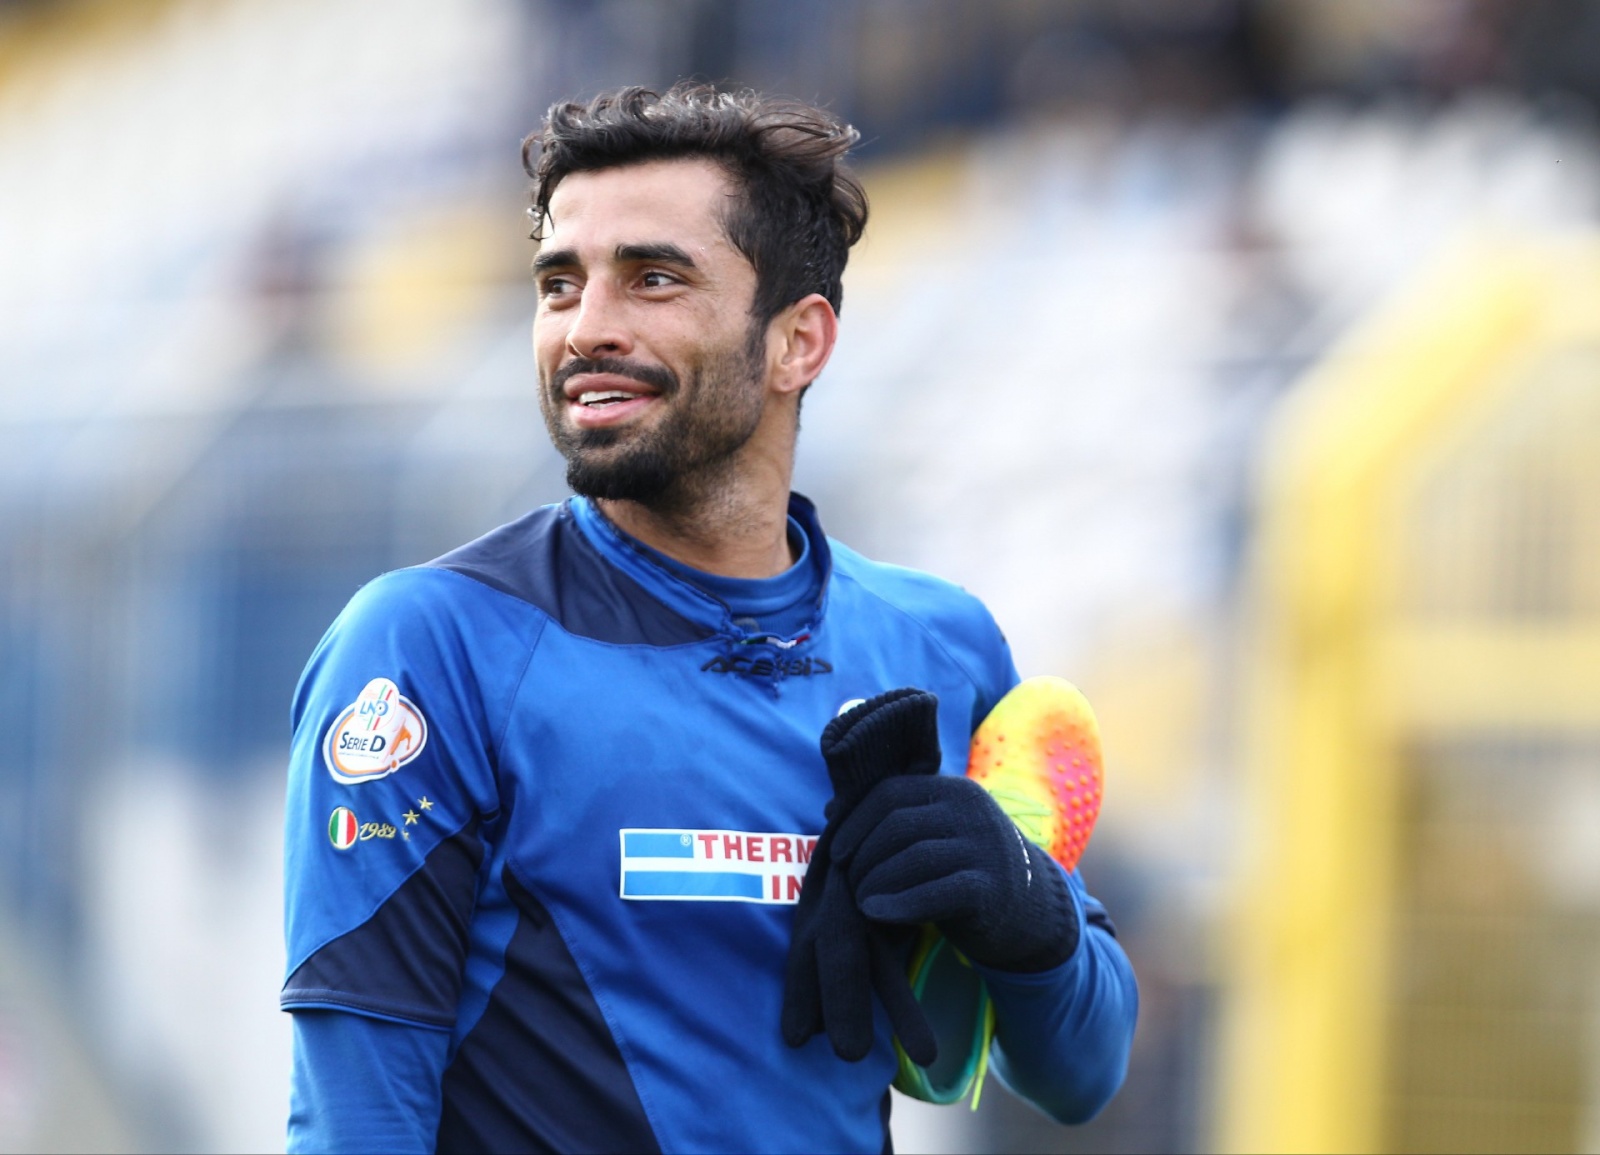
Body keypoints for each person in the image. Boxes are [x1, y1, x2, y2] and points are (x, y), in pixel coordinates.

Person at [282, 83, 1137, 1154]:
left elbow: (1082, 1073)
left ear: (797, 342)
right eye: (559, 284)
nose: (586, 329)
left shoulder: (940, 645)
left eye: (653, 279)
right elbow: (355, 1117)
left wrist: (1021, 902)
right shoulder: (428, 648)